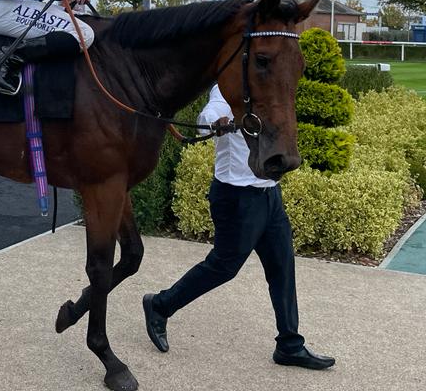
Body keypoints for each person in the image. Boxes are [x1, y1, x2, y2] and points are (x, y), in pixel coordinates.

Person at [142, 84, 335, 371]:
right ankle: (160, 305)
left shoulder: (268, 86)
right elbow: (208, 115)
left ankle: (289, 345)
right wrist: (217, 123)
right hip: (237, 197)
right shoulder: (227, 89)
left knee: (282, 267)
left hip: (270, 193)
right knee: (223, 266)